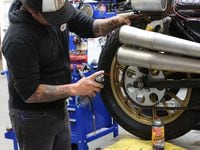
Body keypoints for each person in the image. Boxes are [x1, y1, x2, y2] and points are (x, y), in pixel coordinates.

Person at [2, 0, 138, 149]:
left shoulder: (55, 10)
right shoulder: (18, 40)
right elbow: (31, 93)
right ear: (32, 11)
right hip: (33, 116)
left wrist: (120, 20)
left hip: (59, 106)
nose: (59, 19)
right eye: (53, 17)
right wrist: (75, 89)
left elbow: (92, 27)